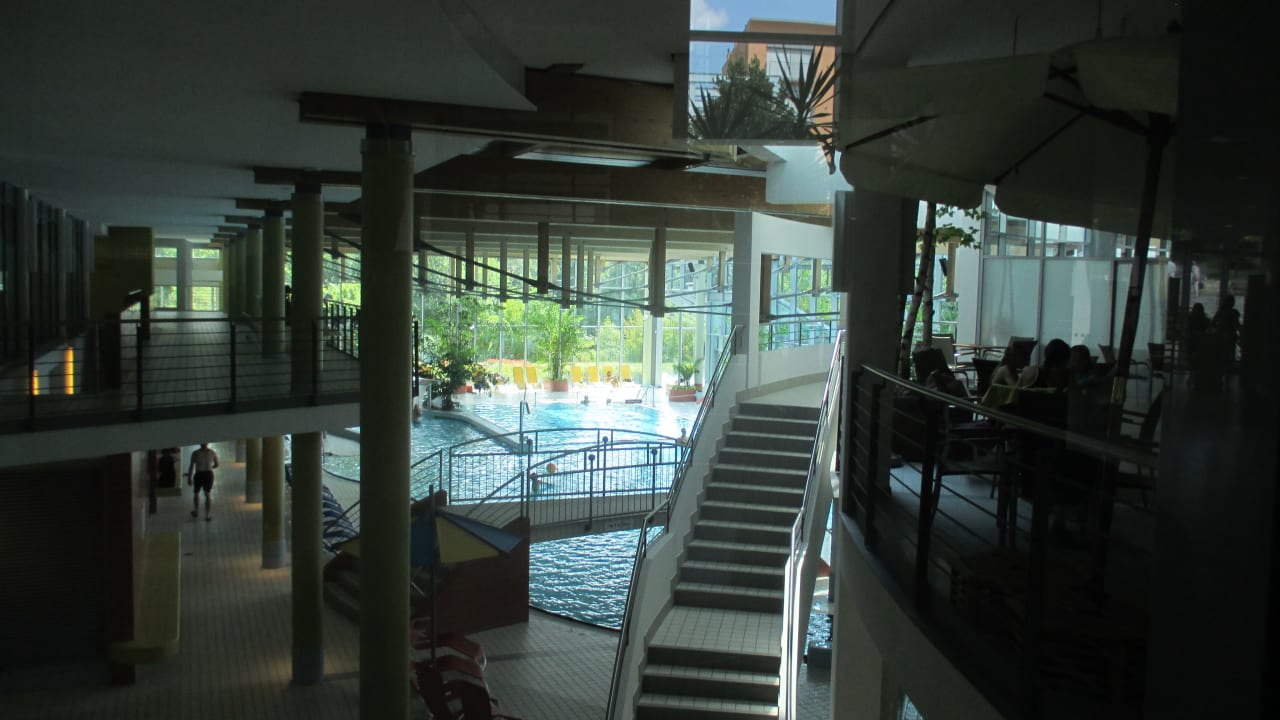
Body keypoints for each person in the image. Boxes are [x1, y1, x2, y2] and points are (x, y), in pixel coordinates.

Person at [187, 442, 220, 521]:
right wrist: (210, 467)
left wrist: (189, 477)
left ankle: (196, 511)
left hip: (199, 474)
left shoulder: (195, 453)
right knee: (207, 494)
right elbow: (217, 464)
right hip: (209, 474)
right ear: (207, 443)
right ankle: (207, 515)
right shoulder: (212, 452)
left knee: (196, 493)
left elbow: (191, 466)